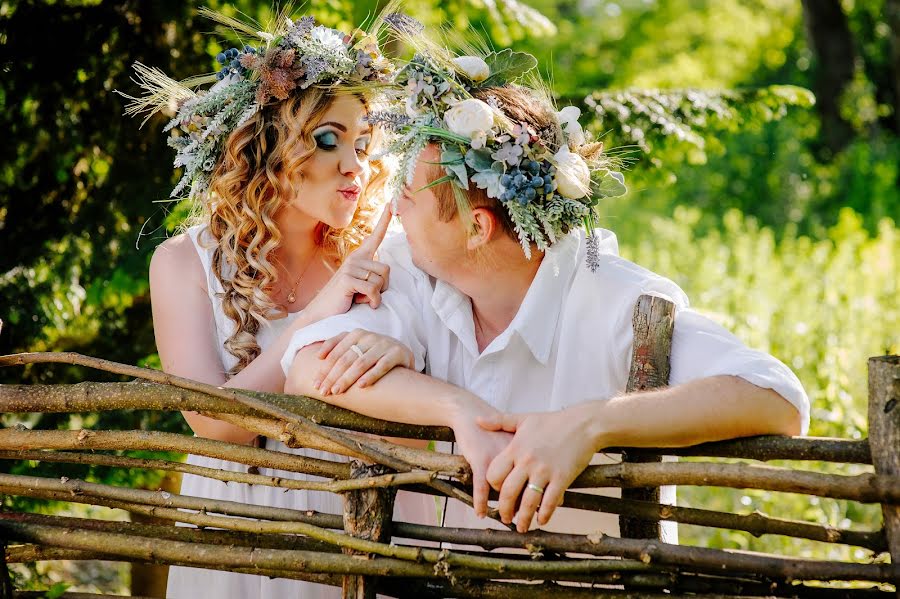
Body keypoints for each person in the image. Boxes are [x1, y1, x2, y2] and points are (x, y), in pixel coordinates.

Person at [279, 34, 810, 543]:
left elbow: (780, 400)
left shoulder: (613, 298)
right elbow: (304, 367)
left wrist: (589, 425)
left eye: (411, 197)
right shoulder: (413, 268)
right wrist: (458, 408)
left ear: (476, 228)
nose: (393, 209)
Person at [124, 11, 433, 597]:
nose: (355, 164)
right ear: (266, 147)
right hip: (236, 521)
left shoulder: (386, 254)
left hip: (352, 515)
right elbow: (215, 425)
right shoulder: (183, 263)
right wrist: (317, 316)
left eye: (363, 142)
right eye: (328, 139)